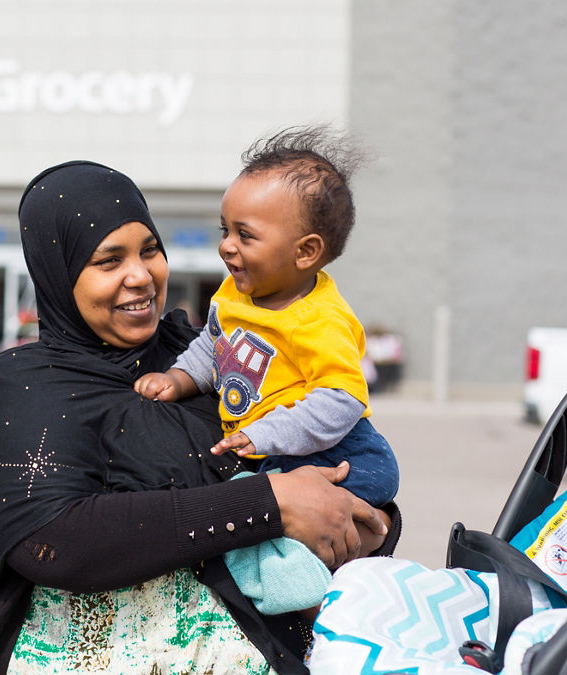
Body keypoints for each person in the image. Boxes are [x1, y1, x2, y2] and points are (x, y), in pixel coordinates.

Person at [0, 160, 400, 674]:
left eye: (150, 250)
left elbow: (337, 460)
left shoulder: (209, 354)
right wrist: (267, 504)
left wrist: (372, 522)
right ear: (58, 272)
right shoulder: (22, 386)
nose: (140, 276)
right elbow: (54, 540)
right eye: (108, 261)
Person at [134, 128, 399, 614]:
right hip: (272, 449)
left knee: (340, 505)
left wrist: (268, 434)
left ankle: (301, 585)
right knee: (249, 503)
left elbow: (341, 401)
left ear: (305, 252)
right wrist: (177, 379)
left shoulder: (321, 319)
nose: (227, 247)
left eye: (245, 235)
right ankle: (286, 580)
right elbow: (214, 347)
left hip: (337, 447)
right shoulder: (236, 296)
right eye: (224, 230)